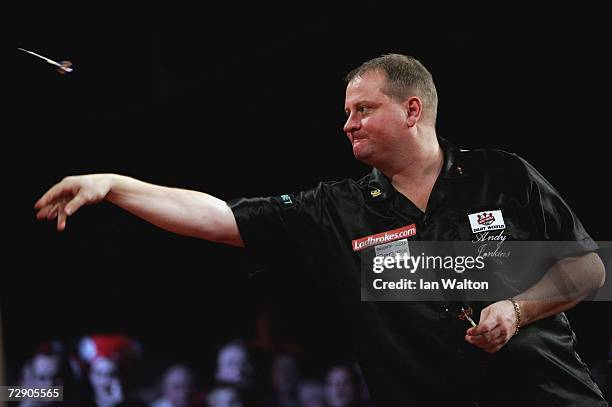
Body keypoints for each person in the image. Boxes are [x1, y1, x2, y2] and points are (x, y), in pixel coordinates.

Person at [34, 54, 608, 406]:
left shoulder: (503, 175)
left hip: (552, 396)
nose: (347, 123)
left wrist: (518, 309)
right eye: (345, 112)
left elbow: (589, 268)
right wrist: (115, 184)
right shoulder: (337, 209)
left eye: (362, 110)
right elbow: (218, 218)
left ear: (412, 111)